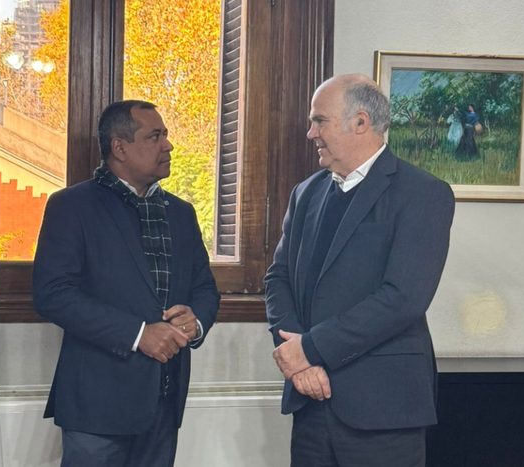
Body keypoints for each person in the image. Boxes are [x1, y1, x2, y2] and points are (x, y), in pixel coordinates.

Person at [265, 74, 455, 467]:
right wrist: (297, 357)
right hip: (311, 404)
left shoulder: (423, 193)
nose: (310, 133)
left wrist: (310, 350)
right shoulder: (305, 193)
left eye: (320, 121)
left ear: (361, 122)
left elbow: (403, 299)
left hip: (383, 411)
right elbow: (277, 278)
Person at [33, 100, 220, 467]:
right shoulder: (71, 206)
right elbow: (52, 295)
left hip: (164, 400)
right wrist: (138, 334)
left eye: (165, 135)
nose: (168, 145)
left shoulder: (181, 213)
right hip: (96, 406)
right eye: (155, 137)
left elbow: (204, 287)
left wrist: (195, 321)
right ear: (119, 148)